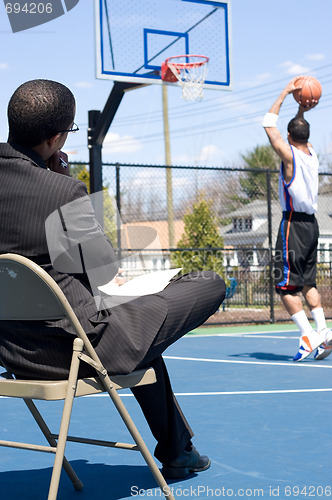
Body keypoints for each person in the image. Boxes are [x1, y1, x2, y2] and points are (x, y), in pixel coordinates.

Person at [0, 79, 226, 478]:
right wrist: (61, 179)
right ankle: (177, 451)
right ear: (55, 139)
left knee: (144, 331)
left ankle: (178, 449)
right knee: (208, 281)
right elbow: (104, 276)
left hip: (11, 352)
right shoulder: (62, 191)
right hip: (80, 351)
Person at [263, 76, 332, 362]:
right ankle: (324, 330)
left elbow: (268, 125)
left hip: (292, 224)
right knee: (308, 283)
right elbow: (298, 130)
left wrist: (285, 94)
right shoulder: (311, 153)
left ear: (289, 137)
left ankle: (308, 335)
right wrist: (302, 109)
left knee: (283, 285)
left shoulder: (289, 156)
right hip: (313, 224)